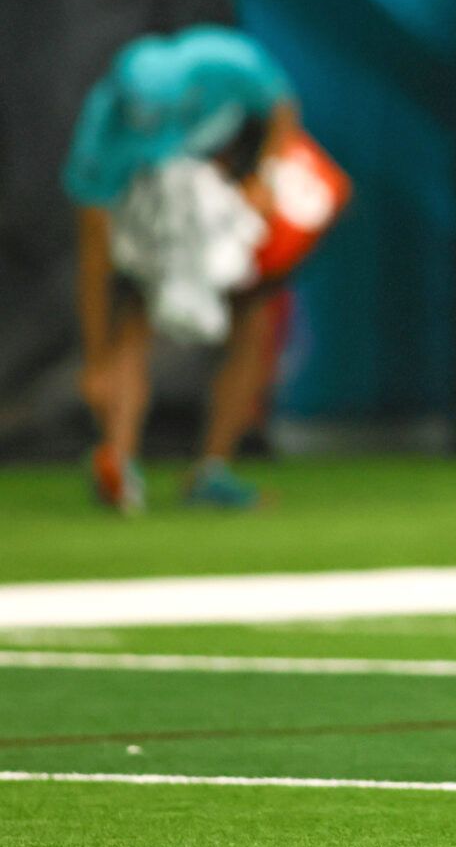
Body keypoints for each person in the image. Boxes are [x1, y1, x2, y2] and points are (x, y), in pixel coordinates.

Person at [65, 25, 304, 512]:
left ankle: (212, 470)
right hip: (155, 213)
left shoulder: (227, 61)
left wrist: (265, 177)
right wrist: (94, 361)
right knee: (136, 320)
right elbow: (94, 257)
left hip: (229, 193)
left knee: (251, 322)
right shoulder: (102, 134)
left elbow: (283, 108)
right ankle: (119, 462)